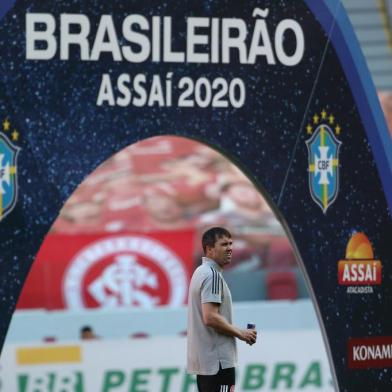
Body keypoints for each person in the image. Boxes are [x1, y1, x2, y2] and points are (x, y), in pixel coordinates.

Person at [187, 227, 257, 392]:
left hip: (206, 362)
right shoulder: (212, 275)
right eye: (224, 244)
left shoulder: (200, 272)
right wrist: (241, 333)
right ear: (209, 249)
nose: (230, 248)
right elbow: (210, 317)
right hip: (217, 362)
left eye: (231, 244)